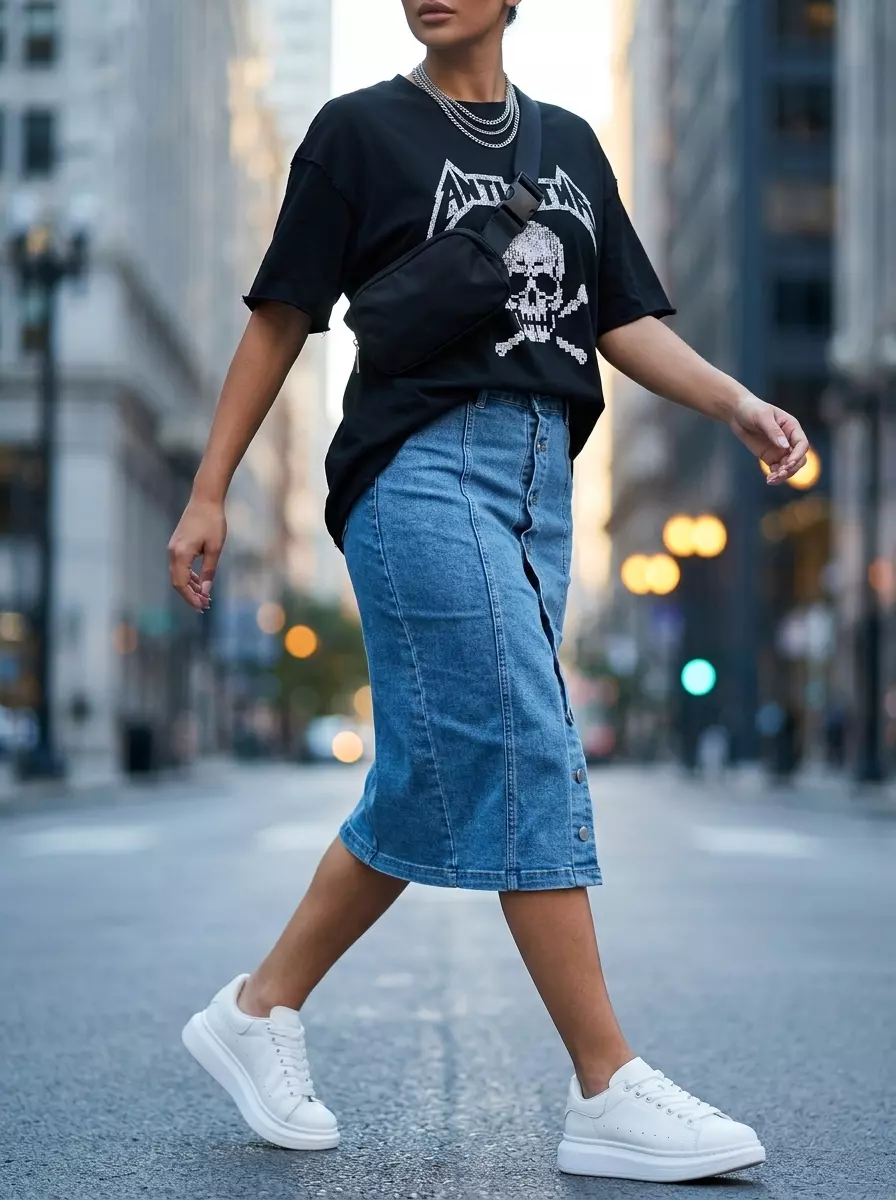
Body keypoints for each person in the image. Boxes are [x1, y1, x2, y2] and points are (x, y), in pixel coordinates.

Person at [168, 0, 809, 1183]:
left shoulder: (566, 143)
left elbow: (620, 319)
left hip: (538, 486)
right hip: (416, 469)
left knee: (435, 776)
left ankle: (257, 1014)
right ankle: (606, 1083)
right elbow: (279, 322)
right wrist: (210, 491)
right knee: (523, 742)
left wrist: (733, 401)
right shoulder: (357, 132)